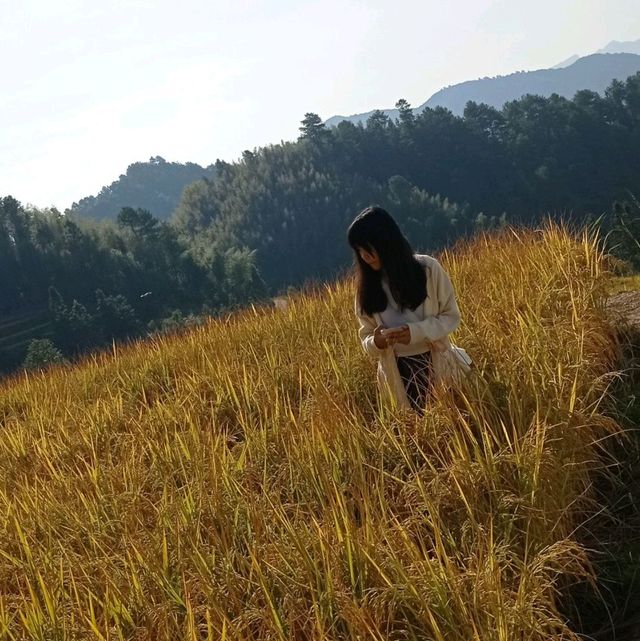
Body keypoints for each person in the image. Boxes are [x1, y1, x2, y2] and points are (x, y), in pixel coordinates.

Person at [347, 206, 462, 414]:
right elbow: (366, 338)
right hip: (397, 372)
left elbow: (451, 316)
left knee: (450, 426)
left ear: (386, 242)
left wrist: (415, 332)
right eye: (359, 251)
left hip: (435, 363)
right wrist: (377, 342)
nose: (365, 256)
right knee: (410, 434)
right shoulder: (366, 289)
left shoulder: (428, 269)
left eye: (368, 248)